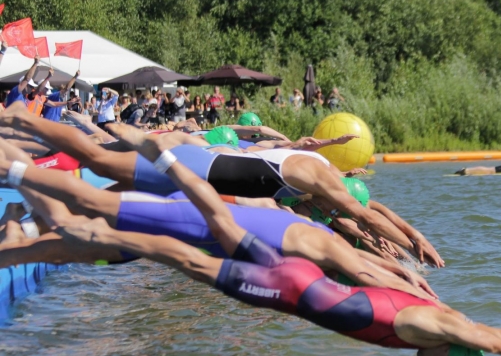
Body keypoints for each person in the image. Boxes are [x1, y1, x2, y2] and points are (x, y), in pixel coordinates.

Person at [5, 146, 501, 356]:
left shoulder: (443, 315)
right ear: (454, 354)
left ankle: (53, 203)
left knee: (204, 228)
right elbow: (500, 343)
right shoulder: (438, 331)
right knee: (179, 253)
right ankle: (35, 191)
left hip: (294, 280)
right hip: (283, 291)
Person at [0, 104, 444, 267]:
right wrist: (411, 241)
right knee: (98, 159)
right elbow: (361, 213)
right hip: (191, 167)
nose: (339, 208)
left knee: (103, 205)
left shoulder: (318, 181)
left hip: (196, 180)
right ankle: (24, 121)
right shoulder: (317, 177)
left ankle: (23, 221)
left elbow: (364, 215)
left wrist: (410, 236)